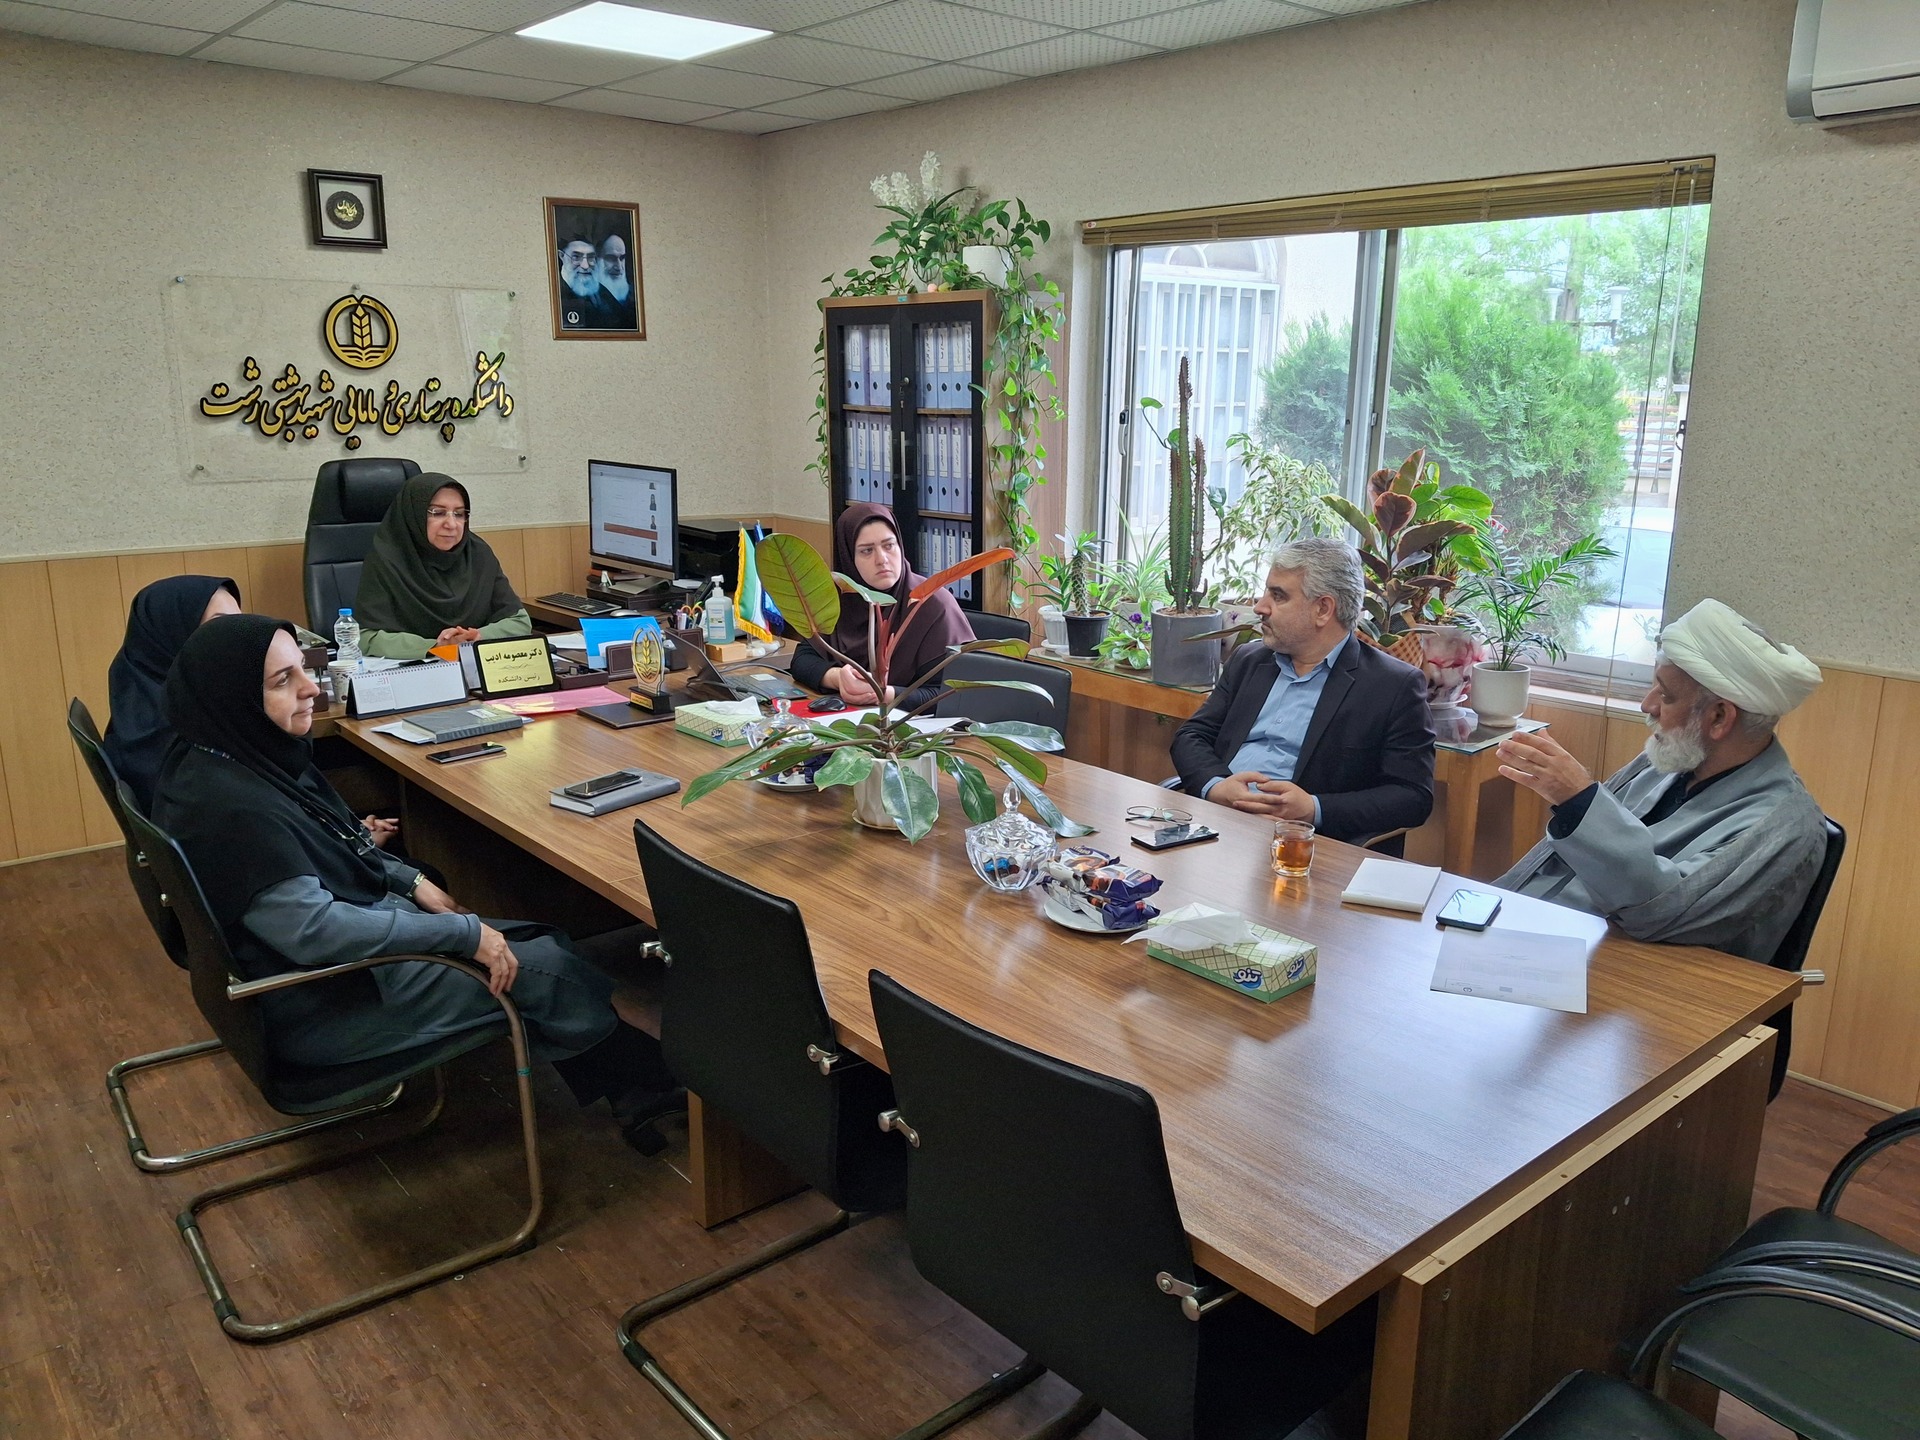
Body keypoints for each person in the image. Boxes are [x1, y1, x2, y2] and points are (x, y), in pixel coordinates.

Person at [150, 615, 680, 1151]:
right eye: (282, 680)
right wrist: (462, 935)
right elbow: (314, 931)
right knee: (551, 968)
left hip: (317, 973)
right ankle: (662, 1081)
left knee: (540, 943)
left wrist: (410, 880)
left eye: (303, 669)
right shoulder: (236, 810)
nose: (311, 688)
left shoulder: (224, 758)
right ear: (233, 697)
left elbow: (335, 838)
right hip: (326, 1003)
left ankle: (631, 1086)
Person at [1494, 598, 1826, 965]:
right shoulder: (1670, 761)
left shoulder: (1784, 827)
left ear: (1719, 717)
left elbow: (1661, 910)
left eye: (1665, 695)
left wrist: (1579, 801)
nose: (1647, 705)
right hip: (1535, 942)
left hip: (1626, 979)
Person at [1171, 536, 1435, 848]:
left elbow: (1412, 797)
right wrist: (1217, 786)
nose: (1260, 607)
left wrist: (1313, 808)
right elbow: (1192, 735)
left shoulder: (1392, 686)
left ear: (1323, 609)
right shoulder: (1249, 660)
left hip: (1301, 848)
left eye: (1278, 596)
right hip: (1216, 825)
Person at [790, 502, 976, 712]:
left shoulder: (932, 604)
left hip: (912, 727)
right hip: (853, 721)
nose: (882, 559)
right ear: (848, 557)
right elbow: (802, 659)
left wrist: (884, 694)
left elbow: (953, 694)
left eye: (889, 546)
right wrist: (837, 677)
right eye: (867, 551)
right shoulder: (838, 598)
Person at [352, 474, 532, 660]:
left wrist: (477, 636)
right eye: (438, 513)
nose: (451, 524)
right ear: (414, 516)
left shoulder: (478, 554)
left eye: (459, 514)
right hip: (414, 668)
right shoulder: (387, 560)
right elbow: (365, 637)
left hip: (474, 664)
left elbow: (519, 621)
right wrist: (436, 646)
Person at [103, 574, 241, 815]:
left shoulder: (145, 693)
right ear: (173, 632)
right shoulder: (168, 735)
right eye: (219, 624)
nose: (239, 637)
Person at [556, 234, 617, 330]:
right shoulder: (554, 293)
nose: (585, 266)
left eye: (591, 258)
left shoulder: (603, 293)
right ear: (562, 256)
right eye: (576, 257)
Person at [596, 233, 637, 329]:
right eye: (611, 258)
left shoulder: (634, 294)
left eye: (622, 258)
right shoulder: (589, 299)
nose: (619, 267)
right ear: (597, 259)